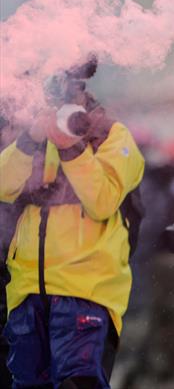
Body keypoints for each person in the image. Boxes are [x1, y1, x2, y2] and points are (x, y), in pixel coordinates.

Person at [0, 59, 145, 388]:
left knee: (78, 384)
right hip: (27, 292)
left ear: (83, 91)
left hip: (85, 291)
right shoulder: (37, 134)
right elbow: (4, 185)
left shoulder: (112, 134)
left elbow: (102, 200)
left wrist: (72, 148)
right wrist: (31, 138)